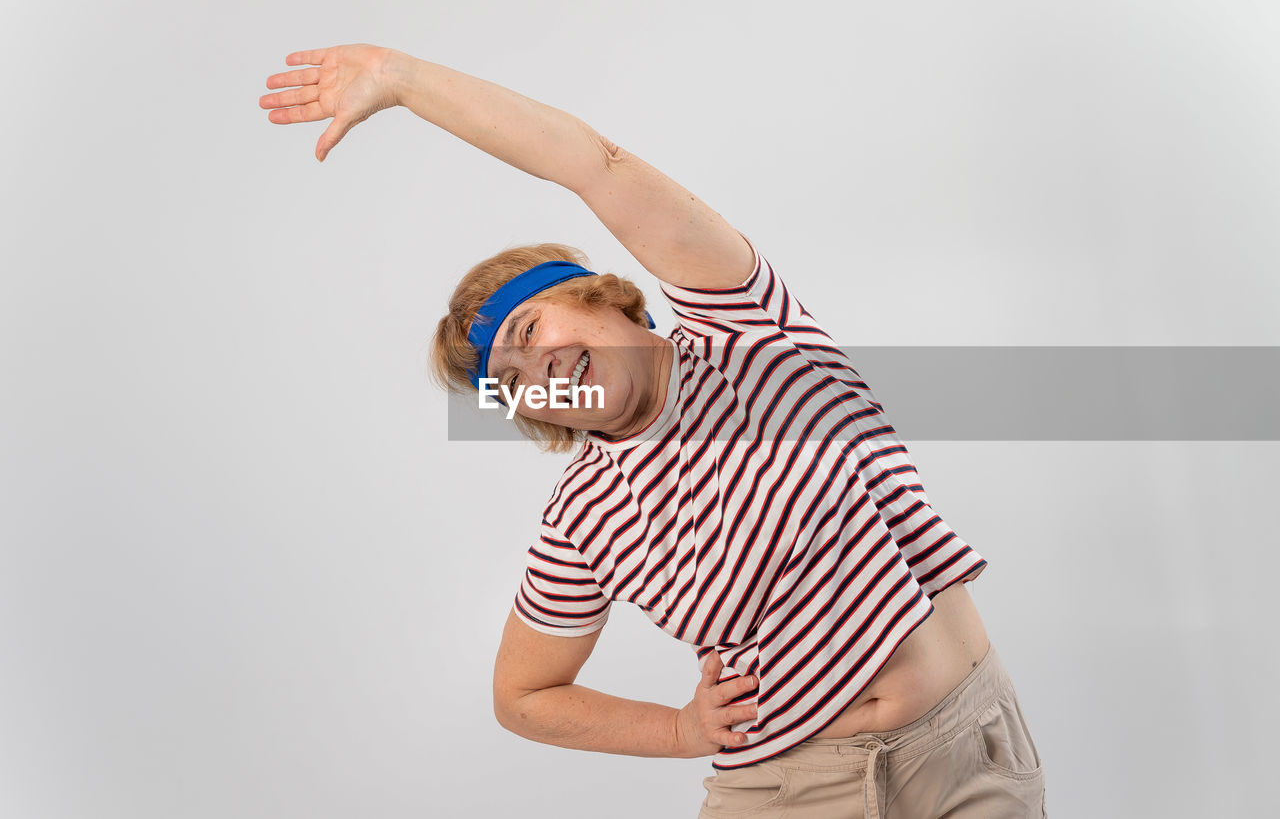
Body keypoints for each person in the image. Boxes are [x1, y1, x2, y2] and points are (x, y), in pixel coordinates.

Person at [260, 43, 1047, 818]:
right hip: (783, 792)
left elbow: (592, 164)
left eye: (530, 331)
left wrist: (407, 81)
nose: (540, 373)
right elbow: (522, 695)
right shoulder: (585, 516)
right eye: (512, 380)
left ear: (600, 295)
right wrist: (678, 730)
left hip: (963, 753)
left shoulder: (745, 329)